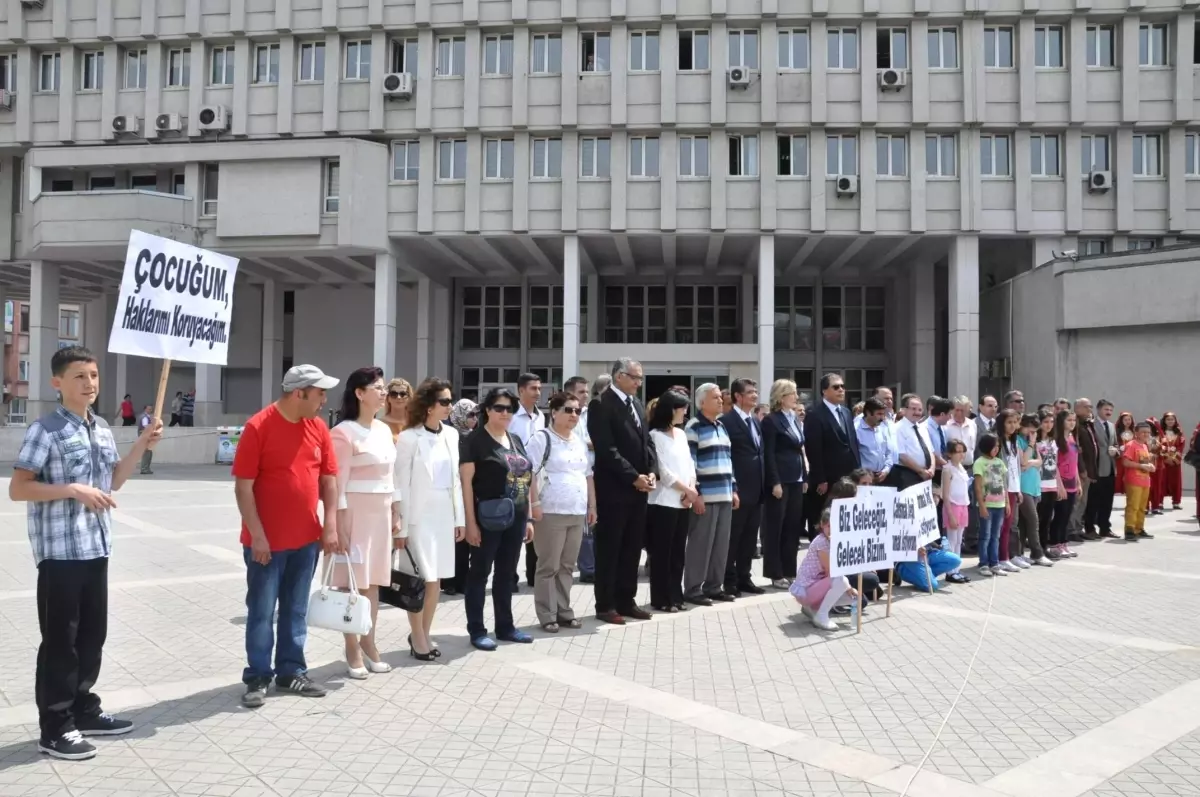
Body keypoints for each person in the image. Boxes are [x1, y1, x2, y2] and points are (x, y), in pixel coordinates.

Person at [10, 346, 162, 761]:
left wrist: (142, 444)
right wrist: (72, 489)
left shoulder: (103, 429)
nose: (90, 384)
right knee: (61, 641)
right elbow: (18, 488)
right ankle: (55, 729)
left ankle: (83, 709)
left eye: (93, 375)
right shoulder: (46, 430)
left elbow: (114, 481)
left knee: (92, 637)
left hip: (96, 547)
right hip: (60, 554)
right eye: (79, 376)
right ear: (57, 383)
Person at [233, 365, 340, 709]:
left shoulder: (318, 428)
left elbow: (329, 481)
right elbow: (244, 487)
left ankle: (291, 671)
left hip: (305, 540)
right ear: (299, 393)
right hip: (266, 544)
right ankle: (258, 676)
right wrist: (258, 536)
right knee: (262, 611)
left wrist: (331, 525)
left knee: (295, 610)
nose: (324, 399)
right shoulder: (258, 427)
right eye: (319, 392)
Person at [329, 367, 398, 676]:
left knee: (373, 583)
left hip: (381, 513)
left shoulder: (383, 430)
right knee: (351, 584)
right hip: (354, 514)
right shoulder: (342, 432)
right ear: (359, 393)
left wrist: (396, 510)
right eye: (378, 388)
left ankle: (370, 642)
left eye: (384, 388)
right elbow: (337, 484)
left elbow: (391, 475)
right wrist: (338, 525)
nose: (384, 393)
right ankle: (351, 646)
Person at [460, 387, 536, 650]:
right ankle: (477, 630)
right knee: (479, 573)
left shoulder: (515, 438)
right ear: (487, 411)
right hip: (486, 518)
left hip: (515, 516)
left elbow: (525, 479)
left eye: (510, 408)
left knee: (506, 573)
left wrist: (528, 519)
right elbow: (466, 485)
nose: (505, 413)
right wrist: (470, 523)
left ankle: (505, 627)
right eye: (499, 408)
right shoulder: (474, 441)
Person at [395, 377, 465, 659]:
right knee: (418, 579)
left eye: (450, 401)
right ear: (428, 405)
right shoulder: (409, 438)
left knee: (436, 580)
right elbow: (400, 482)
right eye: (444, 401)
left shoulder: (452, 435)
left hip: (443, 516)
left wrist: (459, 518)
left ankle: (422, 633)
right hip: (417, 518)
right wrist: (401, 526)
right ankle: (420, 638)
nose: (449, 406)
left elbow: (457, 481)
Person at [587, 359, 657, 624]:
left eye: (640, 378)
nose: (639, 383)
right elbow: (607, 449)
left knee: (632, 548)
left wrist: (651, 470)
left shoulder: (636, 404)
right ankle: (606, 605)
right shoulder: (601, 405)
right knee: (610, 549)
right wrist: (632, 477)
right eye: (634, 377)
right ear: (618, 376)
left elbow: (646, 441)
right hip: (614, 490)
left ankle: (627, 600)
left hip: (639, 489)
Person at [525, 392, 594, 631]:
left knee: (567, 566)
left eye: (576, 410)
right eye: (568, 409)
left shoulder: (578, 441)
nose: (573, 414)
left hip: (576, 511)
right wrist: (534, 506)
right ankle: (547, 614)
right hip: (550, 510)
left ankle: (564, 610)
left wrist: (591, 506)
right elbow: (529, 473)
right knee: (548, 565)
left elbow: (588, 475)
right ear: (554, 412)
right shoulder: (541, 439)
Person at [683, 383, 738, 606]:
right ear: (702, 402)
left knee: (720, 546)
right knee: (700, 544)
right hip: (706, 496)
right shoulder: (694, 427)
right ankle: (693, 589)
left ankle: (714, 587)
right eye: (715, 397)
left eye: (720, 397)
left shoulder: (722, 427)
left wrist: (733, 489)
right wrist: (697, 494)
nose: (720, 400)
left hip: (724, 494)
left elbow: (728, 461)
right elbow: (691, 464)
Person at [646, 389, 697, 612]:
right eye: (682, 408)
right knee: (662, 554)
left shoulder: (682, 434)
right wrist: (685, 489)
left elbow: (689, 465)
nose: (685, 412)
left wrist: (691, 489)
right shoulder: (655, 436)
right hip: (663, 501)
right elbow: (663, 472)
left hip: (683, 501)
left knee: (678, 553)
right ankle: (661, 598)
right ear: (670, 410)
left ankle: (676, 596)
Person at [762, 379, 809, 589]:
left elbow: (800, 449)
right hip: (781, 480)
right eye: (793, 393)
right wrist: (775, 481)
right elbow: (769, 454)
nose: (796, 397)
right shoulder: (771, 421)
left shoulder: (794, 419)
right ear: (781, 397)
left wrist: (805, 477)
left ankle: (790, 570)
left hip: (797, 479)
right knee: (776, 528)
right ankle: (775, 572)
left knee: (792, 527)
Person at [722, 378, 765, 597]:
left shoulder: (755, 421)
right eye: (750, 392)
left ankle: (744, 578)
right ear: (737, 396)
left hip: (756, 491)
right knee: (733, 538)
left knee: (750, 538)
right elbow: (726, 458)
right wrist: (733, 487)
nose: (755, 395)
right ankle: (729, 581)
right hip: (738, 491)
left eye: (755, 391)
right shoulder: (727, 422)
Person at [790, 508, 859, 631]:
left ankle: (813, 609)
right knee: (841, 581)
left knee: (854, 598)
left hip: (816, 586)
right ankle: (821, 616)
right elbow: (831, 571)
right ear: (822, 525)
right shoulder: (821, 542)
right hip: (806, 590)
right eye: (828, 526)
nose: (831, 530)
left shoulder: (834, 541)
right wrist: (847, 586)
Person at [803, 373, 860, 515]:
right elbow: (813, 449)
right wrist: (820, 478)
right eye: (836, 387)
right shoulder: (815, 414)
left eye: (842, 386)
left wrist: (858, 471)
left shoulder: (846, 412)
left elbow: (852, 443)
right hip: (827, 479)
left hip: (849, 475)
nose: (841, 390)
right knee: (823, 514)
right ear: (824, 391)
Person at [510, 373, 545, 587]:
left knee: (536, 526)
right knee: (516, 529)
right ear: (520, 391)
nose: (538, 393)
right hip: (515, 477)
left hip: (538, 478)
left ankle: (533, 575)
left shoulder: (542, 417)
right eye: (533, 388)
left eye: (539, 388)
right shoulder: (511, 416)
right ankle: (510, 576)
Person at [577, 374, 611, 583]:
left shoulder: (598, 413)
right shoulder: (576, 415)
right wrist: (597, 443)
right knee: (587, 525)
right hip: (584, 473)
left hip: (602, 472)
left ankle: (600, 564)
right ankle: (588, 569)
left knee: (600, 521)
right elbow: (581, 442)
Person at [442, 398, 478, 595]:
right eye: (470, 414)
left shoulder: (476, 437)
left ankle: (463, 581)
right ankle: (450, 582)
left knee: (466, 540)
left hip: (472, 493)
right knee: (455, 540)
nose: (474, 419)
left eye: (476, 415)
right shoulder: (449, 435)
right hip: (452, 493)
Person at [1015, 414, 1053, 566]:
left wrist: (1030, 462)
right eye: (1030, 428)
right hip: (1023, 486)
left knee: (1025, 522)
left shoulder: (1030, 442)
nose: (1032, 431)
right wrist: (1031, 445)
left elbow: (1039, 461)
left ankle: (1020, 552)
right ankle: (1037, 553)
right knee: (1033, 519)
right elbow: (1022, 462)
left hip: (1034, 485)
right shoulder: (1018, 441)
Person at [973, 433, 1008, 577]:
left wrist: (1007, 502)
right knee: (985, 535)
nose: (997, 449)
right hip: (987, 504)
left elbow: (1003, 484)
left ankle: (995, 563)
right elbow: (978, 487)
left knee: (996, 535)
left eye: (998, 446)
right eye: (994, 446)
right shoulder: (979, 462)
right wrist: (981, 505)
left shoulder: (1000, 462)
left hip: (999, 504)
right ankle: (983, 563)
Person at [1085, 399, 1120, 539]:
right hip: (1096, 469)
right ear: (1098, 409)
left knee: (1107, 501)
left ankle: (1105, 527)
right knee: (1093, 501)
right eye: (1106, 410)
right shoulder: (1091, 425)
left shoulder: (1111, 426)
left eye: (1111, 410)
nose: (1109, 412)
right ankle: (1089, 528)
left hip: (1110, 468)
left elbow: (1116, 444)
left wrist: (1116, 451)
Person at [1049, 410, 1082, 558]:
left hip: (1072, 483)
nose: (1072, 423)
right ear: (1061, 422)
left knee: (1067, 515)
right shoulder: (1056, 440)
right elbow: (1054, 464)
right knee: (1060, 515)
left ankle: (1064, 543)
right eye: (1069, 420)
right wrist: (1059, 485)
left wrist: (1078, 482)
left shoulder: (1072, 437)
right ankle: (1055, 545)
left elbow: (1074, 463)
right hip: (1060, 483)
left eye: (1074, 420)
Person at [995, 409, 1024, 573]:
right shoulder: (998, 442)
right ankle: (1002, 558)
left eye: (1015, 422)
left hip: (1014, 488)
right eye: (1009, 422)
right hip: (1003, 491)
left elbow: (1016, 468)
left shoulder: (1014, 442)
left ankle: (1008, 556)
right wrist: (1006, 492)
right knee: (1003, 526)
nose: (1013, 426)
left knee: (1010, 525)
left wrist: (1018, 489)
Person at [940, 440, 972, 583]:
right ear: (950, 453)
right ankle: (950, 571)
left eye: (962, 451)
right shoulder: (948, 469)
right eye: (957, 451)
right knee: (952, 541)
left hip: (963, 505)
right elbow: (945, 495)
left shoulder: (961, 468)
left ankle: (956, 569)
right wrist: (950, 515)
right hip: (952, 506)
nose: (961, 455)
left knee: (959, 540)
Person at [1068, 399, 1098, 542]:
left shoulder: (1087, 424)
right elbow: (1077, 450)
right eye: (1087, 407)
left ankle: (1078, 528)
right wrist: (1082, 469)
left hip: (1088, 469)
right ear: (1078, 408)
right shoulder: (1076, 426)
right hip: (1079, 470)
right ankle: (1071, 529)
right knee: (1077, 501)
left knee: (1083, 502)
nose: (1090, 410)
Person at [1121, 423, 1156, 540]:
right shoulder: (1131, 445)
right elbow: (1125, 462)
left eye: (1148, 432)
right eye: (1143, 432)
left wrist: (1150, 466)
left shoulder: (1145, 446)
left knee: (1142, 507)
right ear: (1136, 433)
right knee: (1133, 506)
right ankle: (1129, 530)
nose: (1146, 434)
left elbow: (1144, 463)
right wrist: (1141, 466)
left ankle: (1139, 528)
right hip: (1134, 480)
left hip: (1145, 481)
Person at [893, 393, 935, 489]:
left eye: (920, 410)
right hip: (908, 475)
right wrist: (921, 471)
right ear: (904, 410)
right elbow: (902, 455)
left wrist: (932, 468)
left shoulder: (922, 428)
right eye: (913, 409)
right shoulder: (898, 428)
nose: (917, 412)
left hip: (926, 475)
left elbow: (931, 451)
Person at [855, 397, 893, 486]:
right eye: (879, 414)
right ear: (868, 413)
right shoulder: (856, 430)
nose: (882, 418)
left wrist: (886, 470)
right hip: (864, 481)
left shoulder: (882, 427)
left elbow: (889, 452)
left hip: (883, 477)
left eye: (883, 414)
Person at [1159, 411, 1185, 511]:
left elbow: (1181, 446)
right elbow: (1158, 445)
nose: (1170, 421)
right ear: (1164, 421)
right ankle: (1159, 502)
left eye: (1172, 419)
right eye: (1168, 419)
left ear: (1175, 421)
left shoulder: (1179, 432)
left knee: (1176, 481)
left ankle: (1176, 502)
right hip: (1164, 461)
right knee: (1162, 481)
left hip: (1175, 462)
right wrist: (1166, 457)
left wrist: (1174, 458)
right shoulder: (1160, 432)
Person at [381, 378, 412, 442]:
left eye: (403, 394)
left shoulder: (416, 423)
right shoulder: (380, 424)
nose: (398, 397)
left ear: (409, 398)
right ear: (388, 398)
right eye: (394, 394)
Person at [1113, 411, 1136, 495]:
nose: (1127, 422)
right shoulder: (1117, 432)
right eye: (1125, 420)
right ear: (1121, 421)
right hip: (1120, 456)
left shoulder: (1134, 432)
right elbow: (1114, 443)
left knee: (1130, 473)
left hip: (1131, 457)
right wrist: (1119, 448)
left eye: (1129, 419)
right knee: (1119, 473)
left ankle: (1128, 489)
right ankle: (1118, 490)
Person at [137, 405, 155, 475]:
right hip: (145, 437)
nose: (150, 410)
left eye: (151, 409)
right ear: (145, 409)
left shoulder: (147, 417)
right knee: (146, 453)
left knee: (149, 453)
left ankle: (146, 468)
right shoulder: (144, 417)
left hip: (146, 436)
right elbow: (145, 428)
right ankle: (144, 469)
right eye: (149, 409)